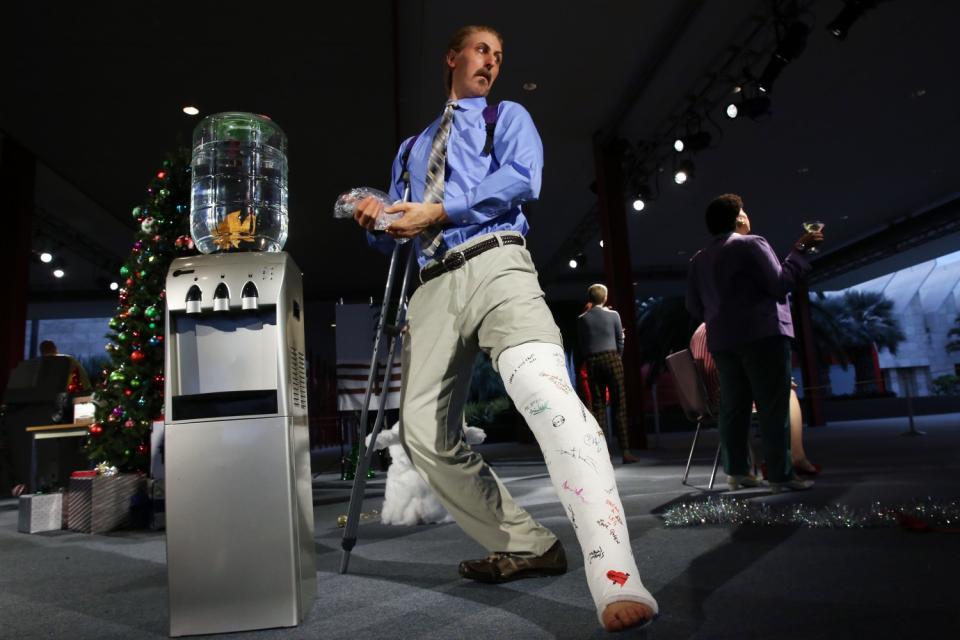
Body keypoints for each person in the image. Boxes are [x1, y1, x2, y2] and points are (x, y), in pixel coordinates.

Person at [353, 25, 657, 631]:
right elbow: (391, 229)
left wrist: (442, 209)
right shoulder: (412, 147)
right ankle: (526, 542)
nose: (491, 61)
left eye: (498, 54)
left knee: (548, 398)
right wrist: (372, 215)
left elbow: (523, 178)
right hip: (432, 285)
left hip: (496, 261)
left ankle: (616, 572)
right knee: (421, 435)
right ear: (453, 57)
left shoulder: (505, 116)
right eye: (481, 49)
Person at [685, 193, 823, 493]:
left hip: (722, 341)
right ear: (739, 218)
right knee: (774, 406)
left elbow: (694, 307)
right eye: (743, 211)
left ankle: (737, 472)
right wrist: (800, 251)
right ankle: (780, 475)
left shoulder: (699, 259)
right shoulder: (753, 244)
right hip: (763, 335)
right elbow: (779, 285)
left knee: (733, 408)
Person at [690, 323, 820, 480]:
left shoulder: (699, 334)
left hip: (710, 400)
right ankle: (796, 458)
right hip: (730, 397)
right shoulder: (737, 330)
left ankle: (738, 470)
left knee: (778, 385)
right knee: (786, 390)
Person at [577, 284, 638, 464]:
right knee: (620, 405)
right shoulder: (614, 315)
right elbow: (620, 339)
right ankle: (626, 452)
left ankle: (603, 453)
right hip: (612, 359)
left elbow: (582, 343)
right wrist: (616, 356)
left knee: (598, 406)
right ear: (604, 297)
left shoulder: (582, 319)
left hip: (593, 361)